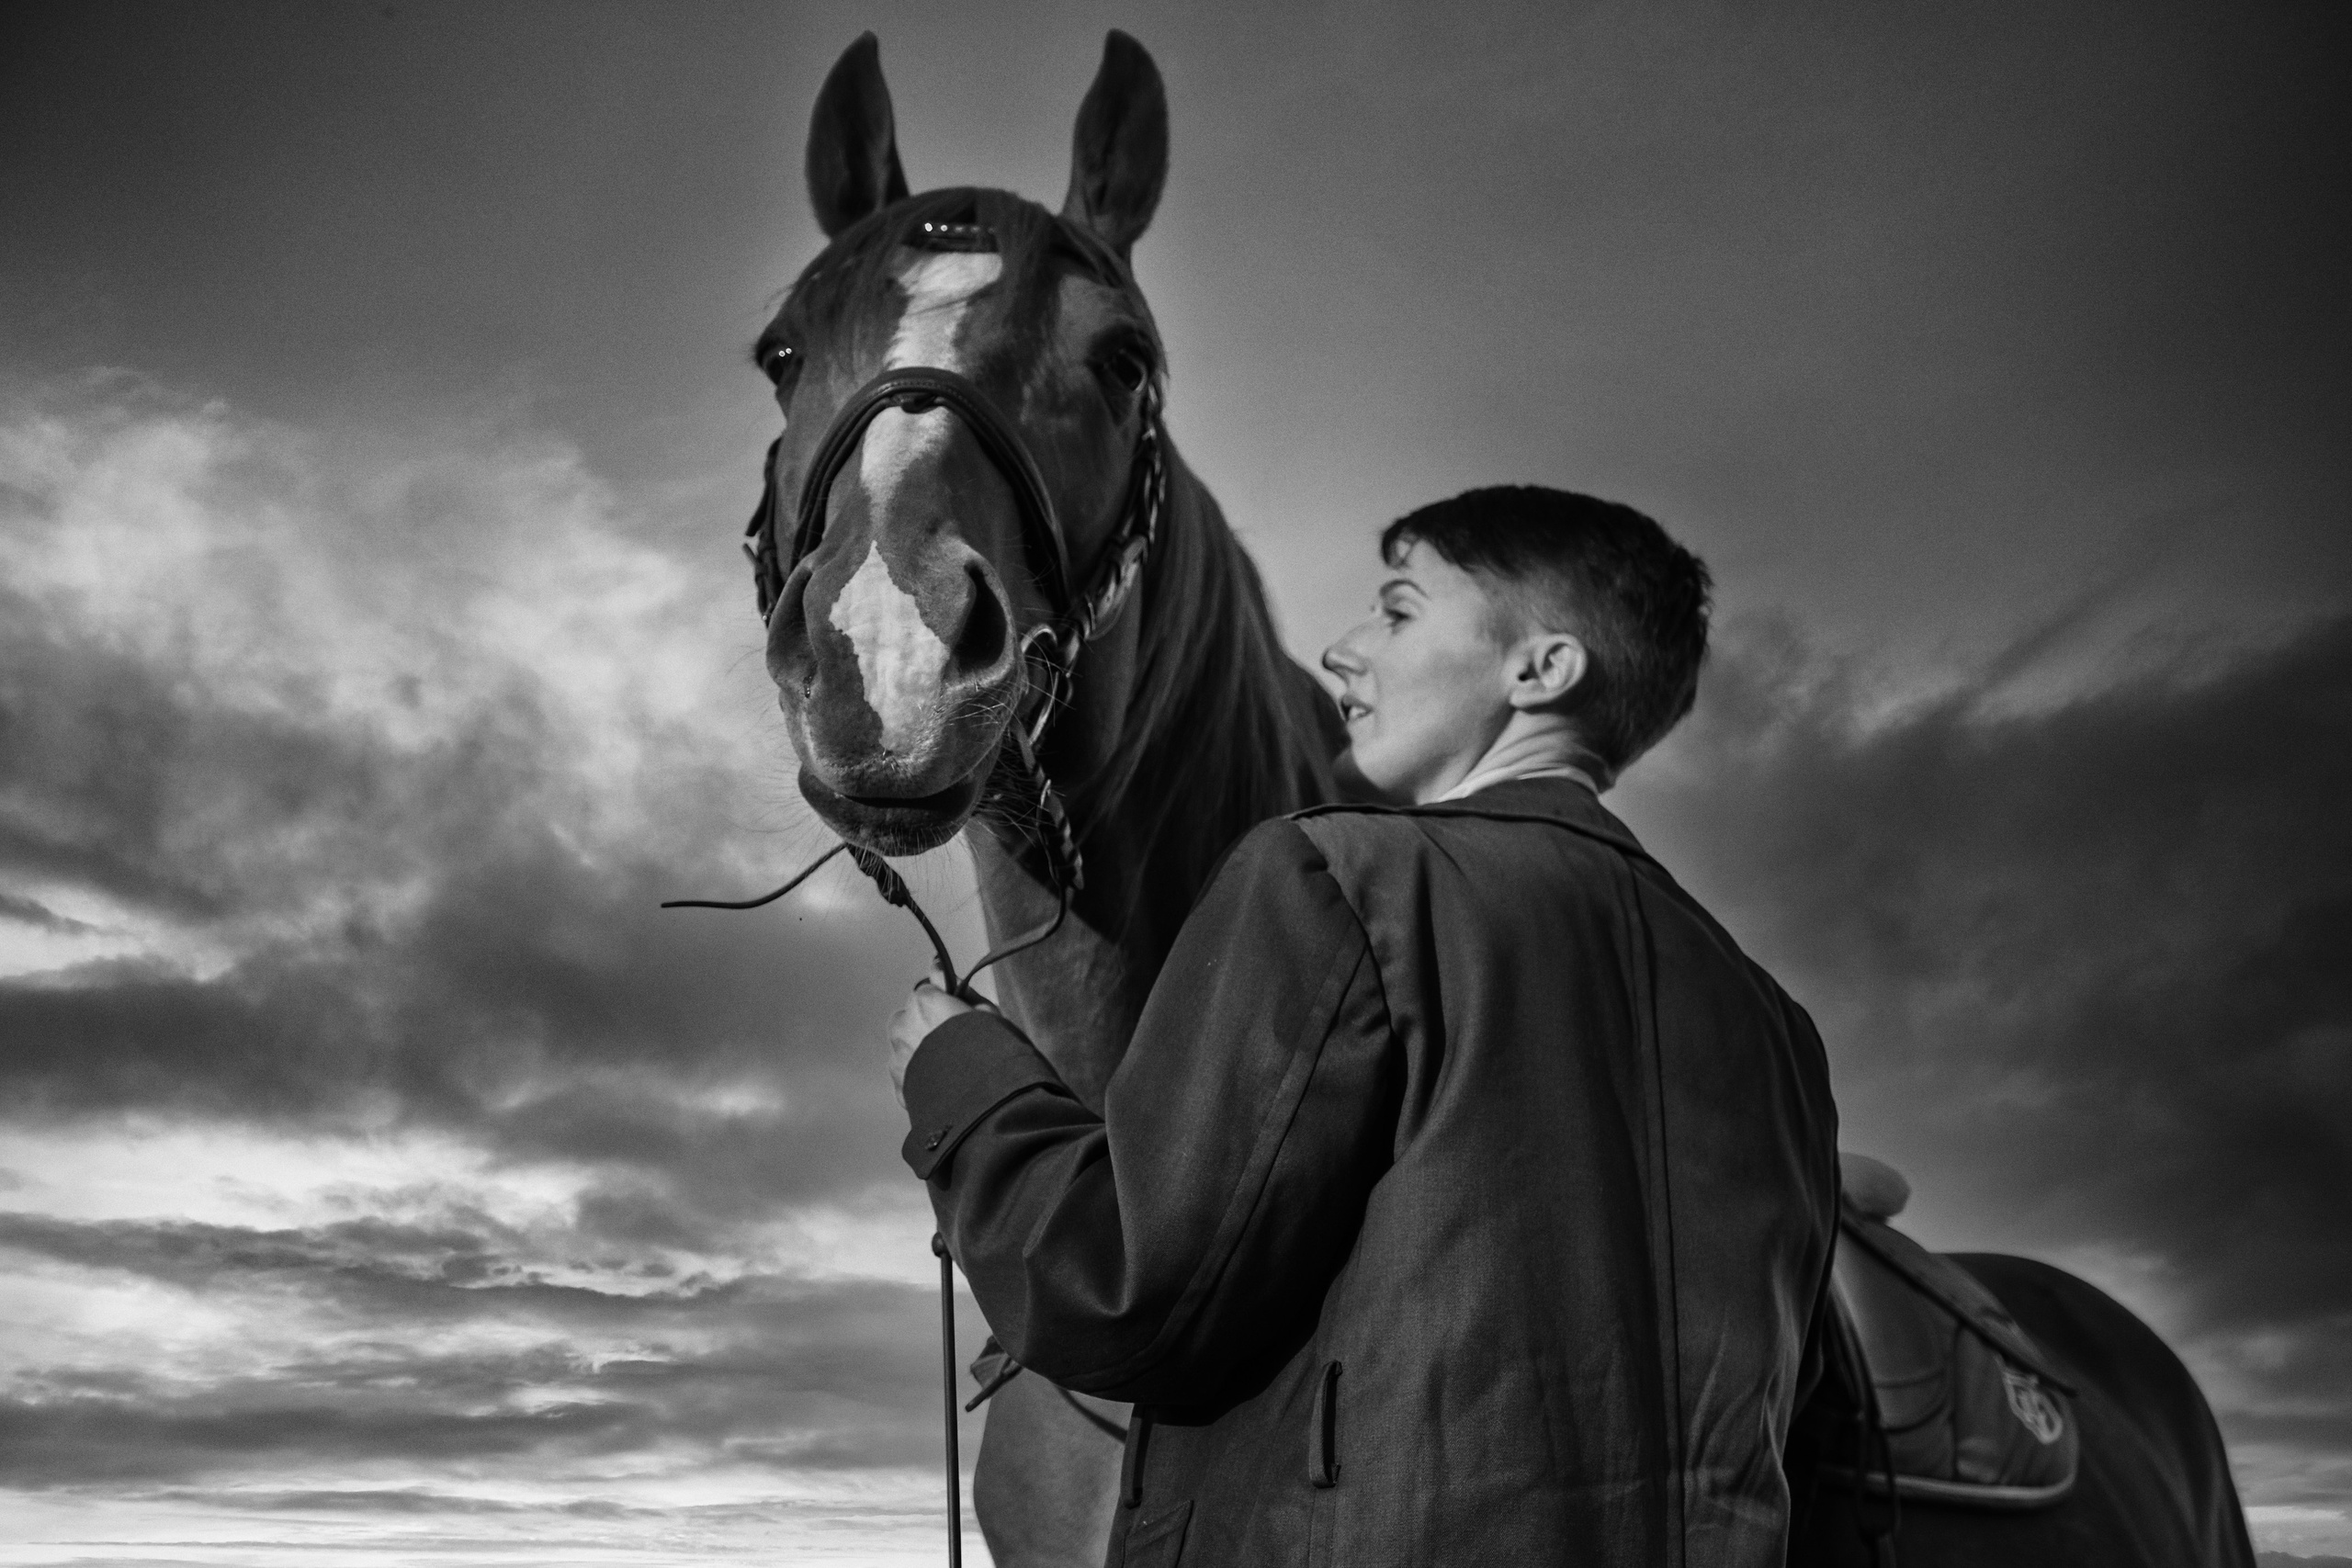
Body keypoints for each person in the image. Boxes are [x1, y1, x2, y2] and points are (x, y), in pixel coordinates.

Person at [886, 486, 1840, 1566]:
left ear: (1540, 671)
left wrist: (961, 1078)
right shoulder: (1779, 1030)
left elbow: (1128, 1290)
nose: (1343, 651)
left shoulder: (1340, 877)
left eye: (1396, 610)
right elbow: (1791, 1414)